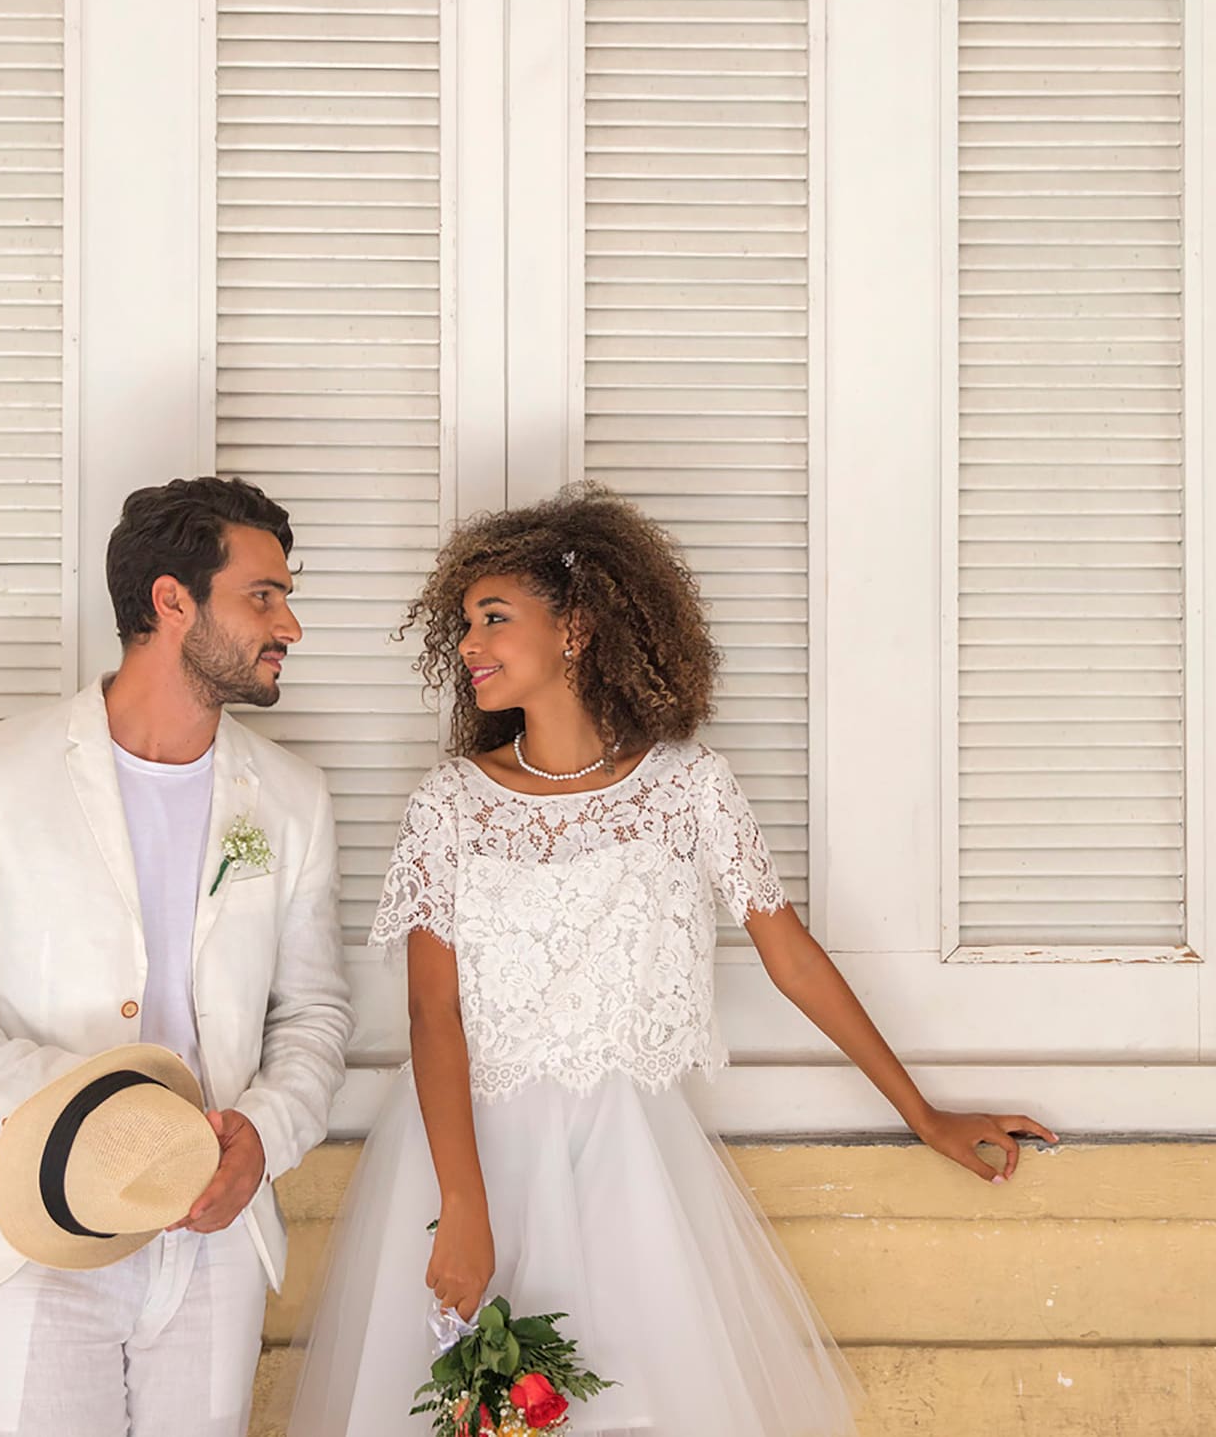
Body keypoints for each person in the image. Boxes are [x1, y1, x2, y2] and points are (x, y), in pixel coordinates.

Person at [289, 483, 1056, 1435]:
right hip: (461, 1156)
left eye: (494, 618)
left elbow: (793, 960)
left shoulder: (689, 788)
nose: (470, 646)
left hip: (628, 1164)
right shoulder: (450, 805)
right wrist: (463, 1204)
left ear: (575, 628)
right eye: (464, 625)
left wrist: (923, 1112)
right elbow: (430, 1016)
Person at [0, 476, 353, 1437]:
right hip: (33, 1228)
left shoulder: (292, 798)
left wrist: (266, 1132)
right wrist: (80, 1115)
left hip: (213, 1237)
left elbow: (315, 1013)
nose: (288, 624)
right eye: (264, 595)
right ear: (173, 602)